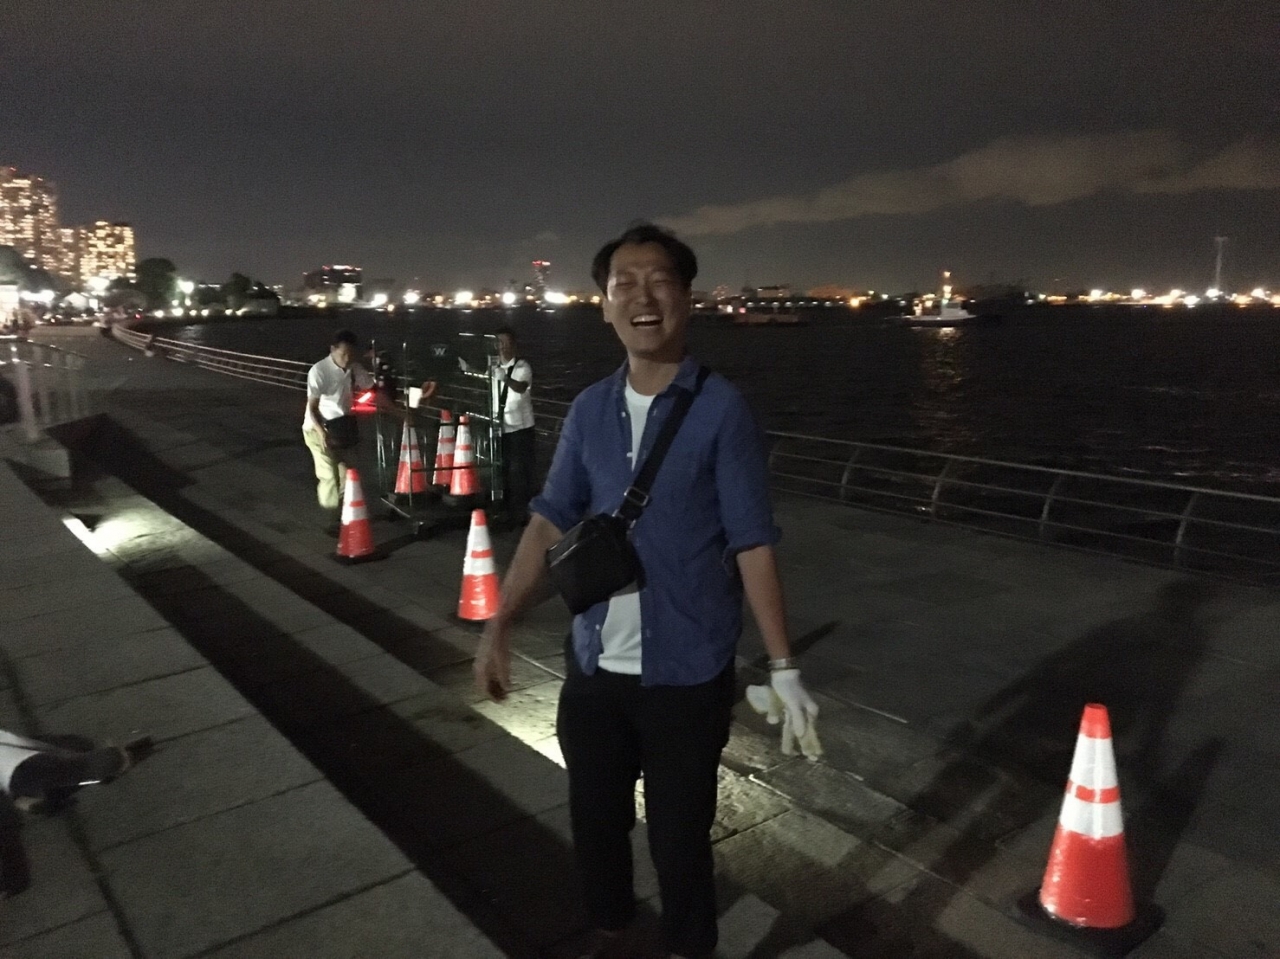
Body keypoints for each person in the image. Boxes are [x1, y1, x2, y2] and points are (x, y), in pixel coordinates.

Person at [474, 224, 818, 959]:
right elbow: (549, 518)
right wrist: (500, 623)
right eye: (623, 284)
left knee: (680, 837)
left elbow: (752, 540)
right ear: (604, 306)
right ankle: (612, 937)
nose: (642, 296)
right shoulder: (589, 410)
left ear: (687, 298)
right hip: (594, 666)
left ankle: (690, 947)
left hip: (686, 671)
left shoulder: (721, 408)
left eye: (659, 280)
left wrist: (784, 665)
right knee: (595, 824)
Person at [303, 329, 429, 533]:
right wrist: (321, 432)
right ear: (332, 349)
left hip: (342, 427)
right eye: (343, 354)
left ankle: (344, 516)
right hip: (317, 429)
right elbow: (312, 408)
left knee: (349, 475)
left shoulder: (354, 368)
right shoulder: (319, 371)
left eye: (351, 354)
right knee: (329, 476)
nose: (347, 359)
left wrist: (400, 414)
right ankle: (331, 520)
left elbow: (375, 393)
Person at [460, 327, 536, 521]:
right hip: (501, 426)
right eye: (499, 343)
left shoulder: (522, 367)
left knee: (519, 471)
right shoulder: (494, 367)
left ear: (514, 345)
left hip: (521, 429)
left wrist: (505, 378)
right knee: (503, 468)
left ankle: (523, 511)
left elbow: (521, 387)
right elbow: (486, 379)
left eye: (505, 343)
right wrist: (469, 370)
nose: (502, 347)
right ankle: (507, 508)